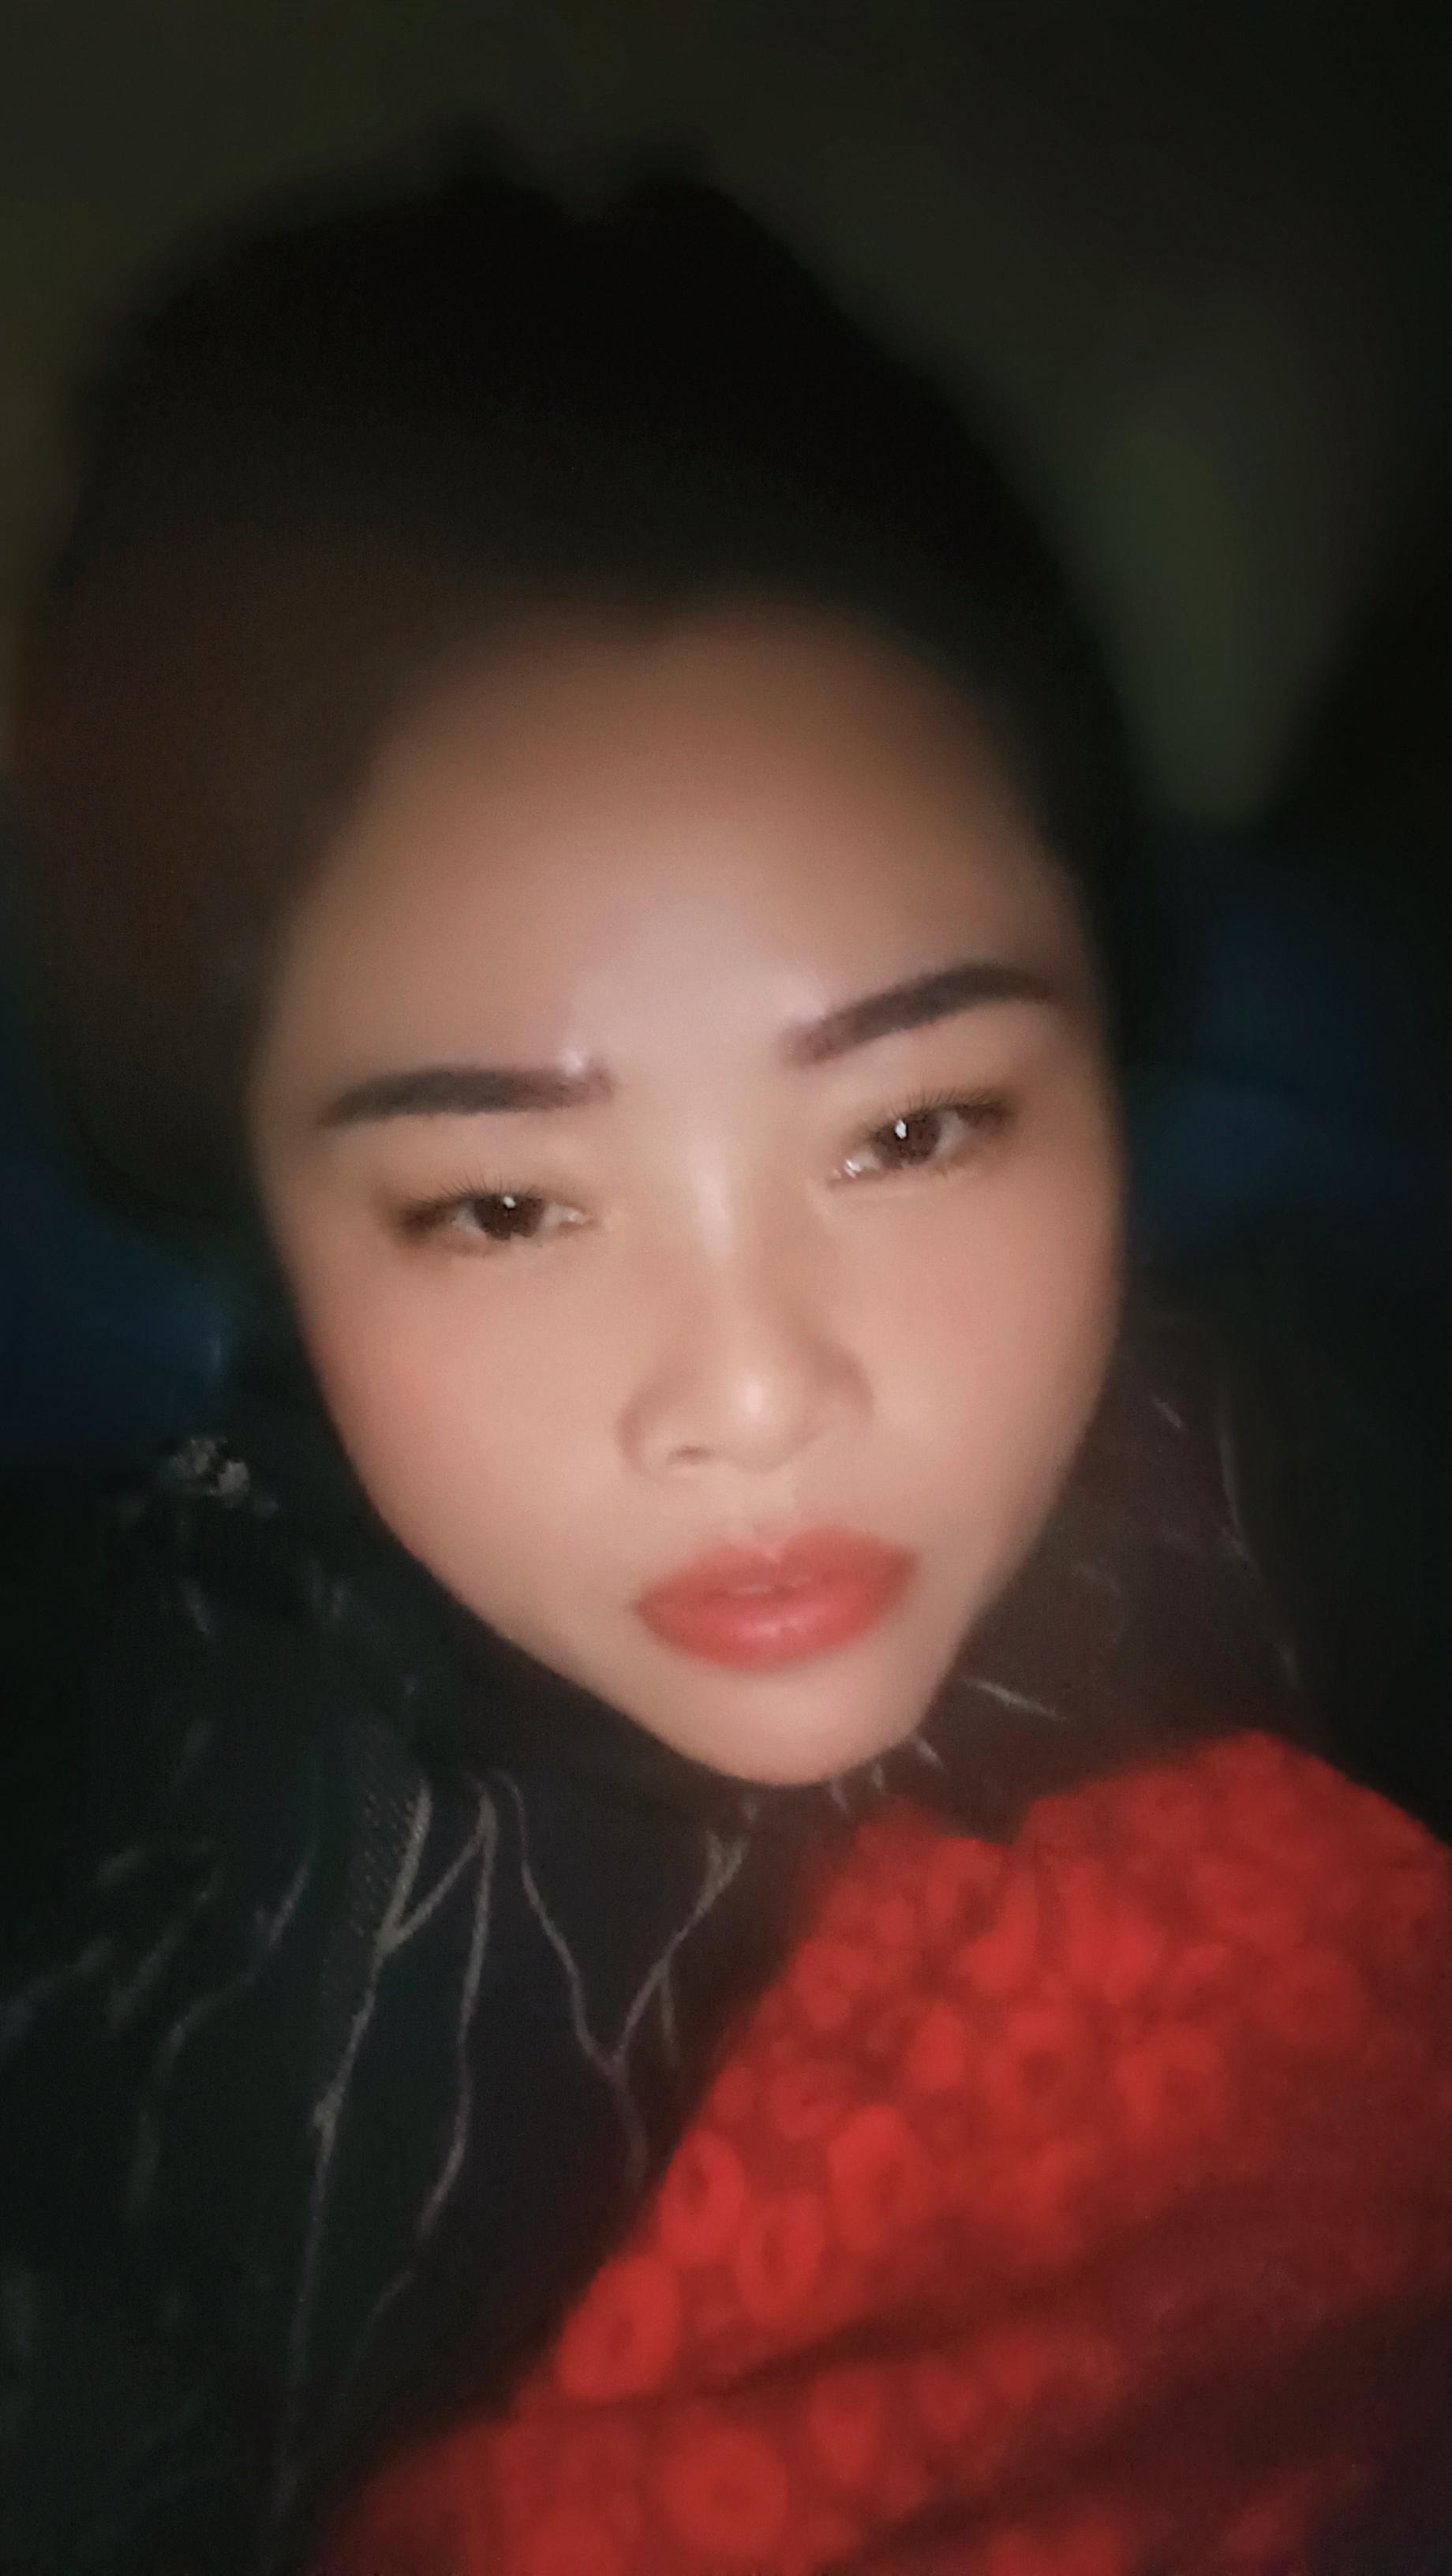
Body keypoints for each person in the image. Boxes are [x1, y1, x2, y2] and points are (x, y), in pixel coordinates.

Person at [2, 147, 1449, 2576]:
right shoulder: (155, 1813)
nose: (756, 1398)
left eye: (911, 1130)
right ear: (261, 1210)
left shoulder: (1305, 1429)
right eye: (502, 1204)